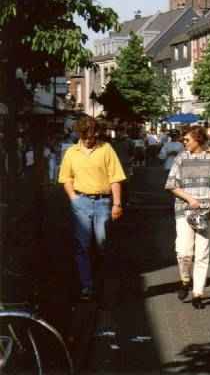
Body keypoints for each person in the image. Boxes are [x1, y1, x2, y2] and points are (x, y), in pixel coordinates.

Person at [58, 116, 126, 300]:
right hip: (81, 202)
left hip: (103, 202)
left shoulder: (106, 149)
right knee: (82, 245)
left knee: (102, 242)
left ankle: (104, 280)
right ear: (80, 134)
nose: (89, 141)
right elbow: (65, 178)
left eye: (92, 137)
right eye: (85, 137)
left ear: (96, 134)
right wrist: (73, 198)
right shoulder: (72, 152)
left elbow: (115, 178)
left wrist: (117, 203)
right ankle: (87, 285)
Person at [165, 126, 210, 309]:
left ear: (198, 140)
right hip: (184, 211)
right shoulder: (181, 159)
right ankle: (185, 280)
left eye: (187, 140)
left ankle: (198, 293)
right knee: (184, 252)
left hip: (208, 212)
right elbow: (171, 185)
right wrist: (190, 199)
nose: (184, 143)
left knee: (202, 254)